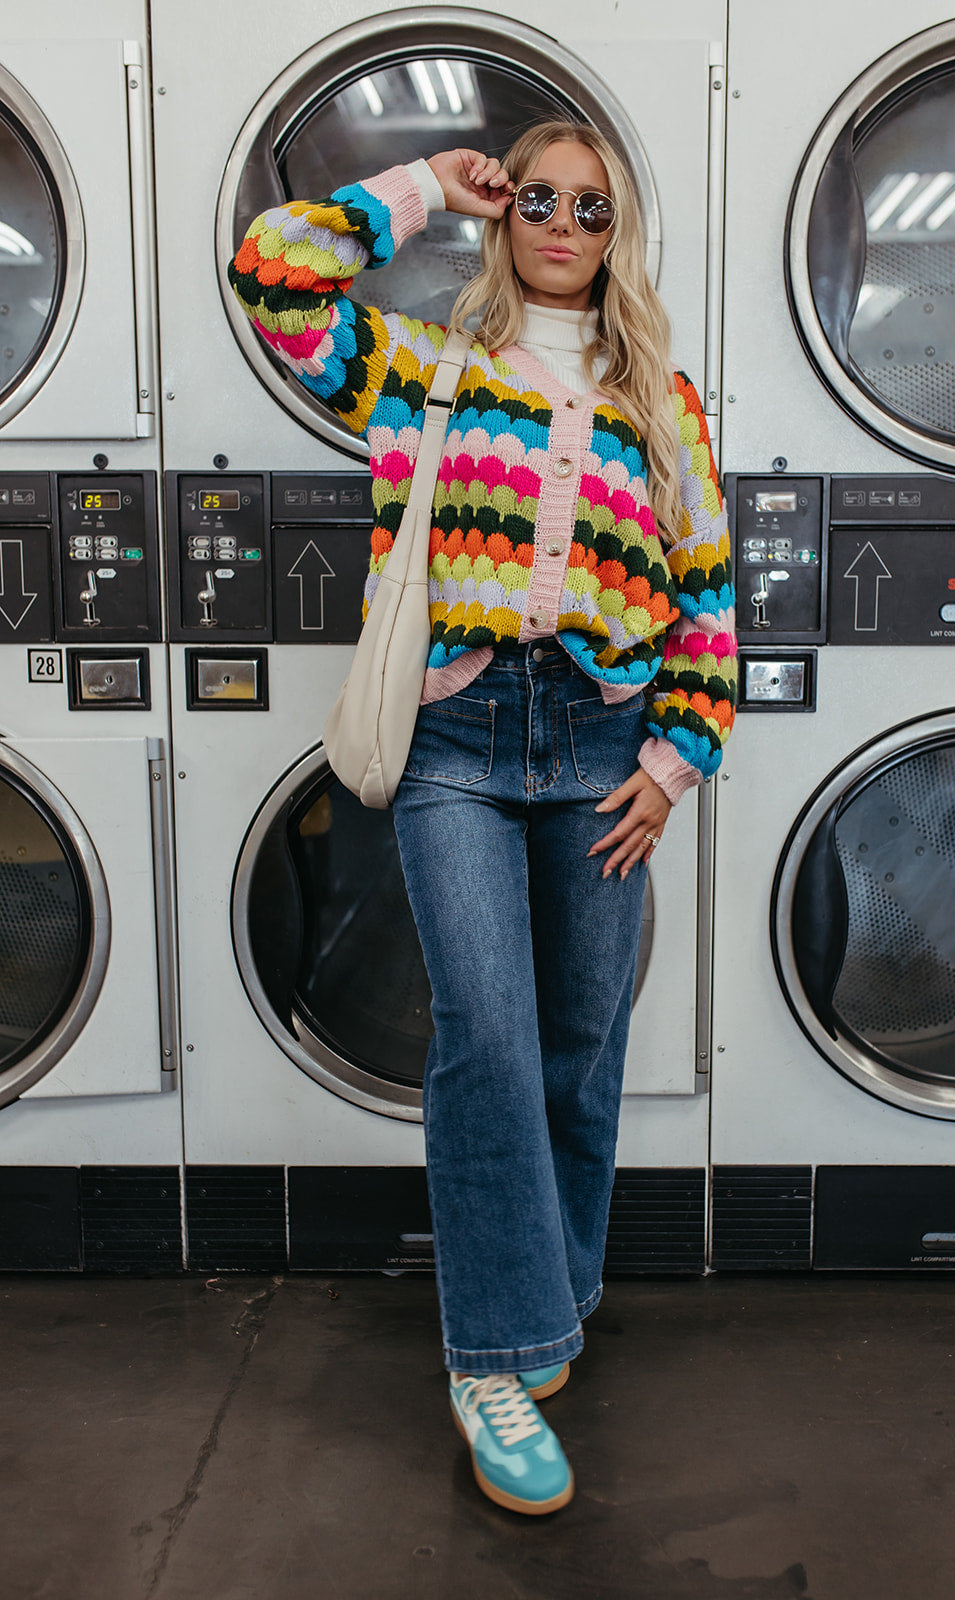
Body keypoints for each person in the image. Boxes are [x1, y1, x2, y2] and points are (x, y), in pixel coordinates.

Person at [230, 119, 735, 1516]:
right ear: (508, 215)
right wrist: (420, 191)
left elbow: (707, 599)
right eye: (539, 199)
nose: (563, 223)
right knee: (489, 1041)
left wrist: (677, 761)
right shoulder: (424, 368)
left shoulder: (664, 404)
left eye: (592, 206)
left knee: (581, 1041)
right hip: (456, 740)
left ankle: (548, 1294)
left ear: (617, 230)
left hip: (600, 749)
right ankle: (496, 1357)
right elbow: (274, 279)